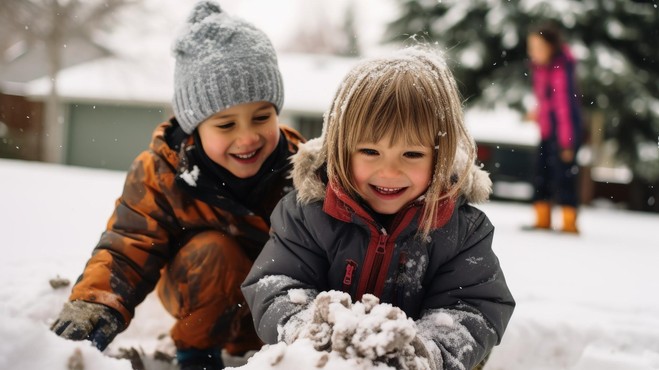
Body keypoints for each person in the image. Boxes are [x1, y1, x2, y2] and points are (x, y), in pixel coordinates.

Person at [50, 2, 304, 369]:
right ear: (194, 126)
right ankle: (197, 356)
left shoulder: (302, 169)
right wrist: (94, 305)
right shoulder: (162, 173)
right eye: (226, 125)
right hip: (200, 300)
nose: (247, 137)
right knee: (215, 251)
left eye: (262, 117)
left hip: (277, 316)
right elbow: (128, 247)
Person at [241, 46, 515, 370]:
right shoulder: (307, 214)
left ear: (440, 156)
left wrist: (423, 352)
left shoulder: (460, 230)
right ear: (343, 150)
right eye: (370, 151)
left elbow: (472, 307)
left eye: (411, 154)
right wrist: (311, 330)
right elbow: (277, 285)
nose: (389, 171)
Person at [526, 21, 583, 233]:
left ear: (551, 47)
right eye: (531, 48)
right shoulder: (541, 68)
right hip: (548, 130)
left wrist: (567, 142)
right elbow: (546, 101)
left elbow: (564, 107)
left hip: (564, 132)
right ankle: (542, 218)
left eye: (538, 48)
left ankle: (569, 221)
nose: (533, 53)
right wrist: (538, 114)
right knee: (541, 172)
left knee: (564, 175)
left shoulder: (561, 69)